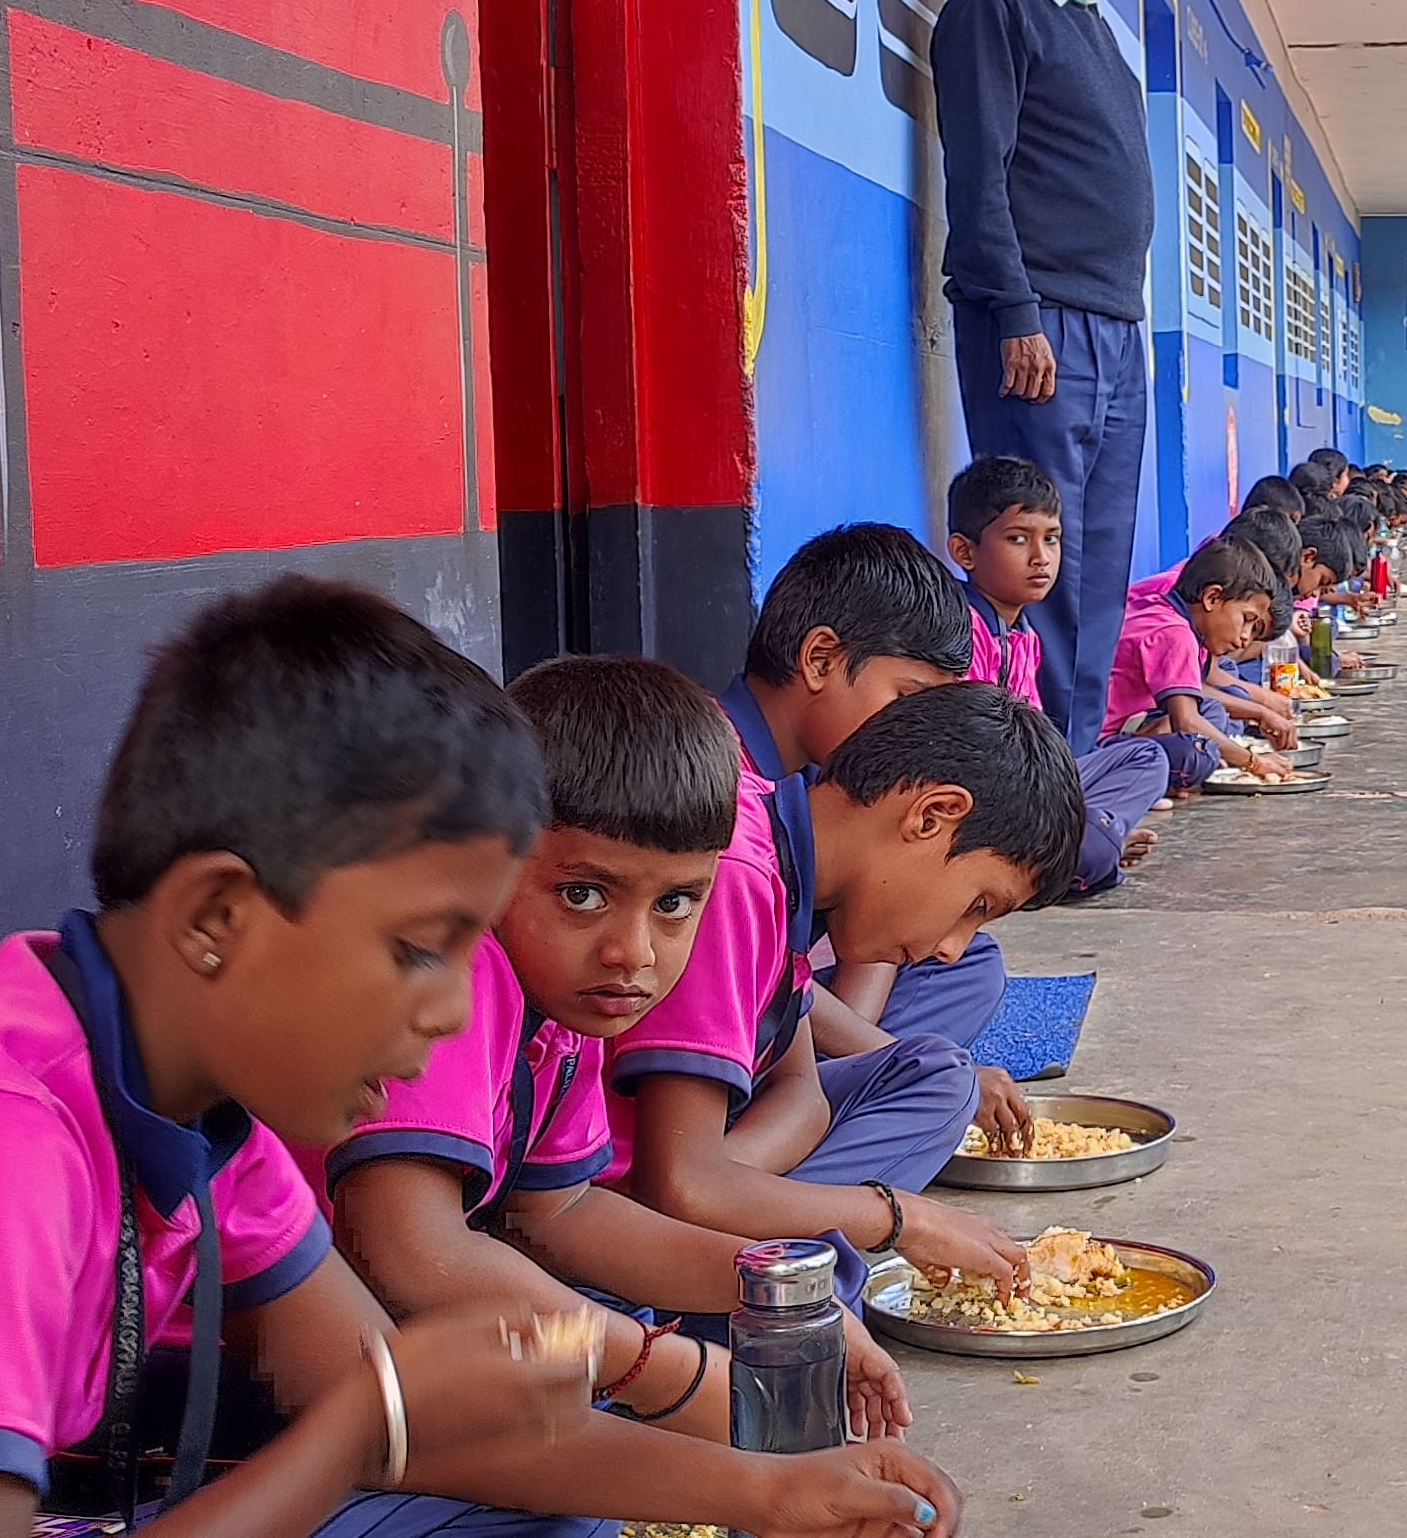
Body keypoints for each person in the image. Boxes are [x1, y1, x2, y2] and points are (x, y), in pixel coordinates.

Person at [0, 579, 960, 1538]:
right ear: (214, 918)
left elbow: (410, 1398)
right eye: (420, 946)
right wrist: (369, 1433)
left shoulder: (206, 1130)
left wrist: (762, 1493)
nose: (458, 1015)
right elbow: (381, 1416)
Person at [306, 655, 943, 1536]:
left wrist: (776, 1296)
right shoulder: (462, 978)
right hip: (256, 1408)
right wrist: (663, 1368)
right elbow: (415, 1257)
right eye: (582, 894)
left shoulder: (563, 1015)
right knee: (583, 1501)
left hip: (400, 1373)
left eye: (679, 904)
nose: (632, 953)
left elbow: (561, 1214)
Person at [612, 684, 1082, 1323]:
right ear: (931, 815)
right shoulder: (738, 875)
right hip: (610, 1227)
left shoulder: (782, 865)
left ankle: (771, 1240)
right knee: (806, 1322)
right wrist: (897, 1216)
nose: (953, 948)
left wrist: (732, 1186)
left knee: (943, 1077)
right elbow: (678, 1187)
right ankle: (755, 1289)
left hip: (704, 1159)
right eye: (978, 906)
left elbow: (801, 1091)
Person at [936, 0, 1154, 752]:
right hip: (1039, 331)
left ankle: (1075, 775)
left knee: (1097, 563)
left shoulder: (1092, 24)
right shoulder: (994, 7)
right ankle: (1032, 793)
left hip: (1113, 326)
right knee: (1034, 569)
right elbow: (979, 178)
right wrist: (1018, 313)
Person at [721, 526, 1009, 1099]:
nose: (917, 735)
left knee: (970, 963)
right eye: (906, 701)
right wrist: (896, 1059)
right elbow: (769, 977)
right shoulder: (720, 785)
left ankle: (858, 1082)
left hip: (796, 1022)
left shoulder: (816, 771)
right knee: (937, 1085)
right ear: (821, 659)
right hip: (726, 1046)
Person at [940, 455, 1175, 895]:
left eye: (1052, 539)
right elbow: (969, 761)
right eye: (1017, 539)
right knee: (1094, 851)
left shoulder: (1026, 636)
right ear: (964, 552)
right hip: (981, 802)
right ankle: (1074, 852)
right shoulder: (958, 630)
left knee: (1146, 759)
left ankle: (1080, 843)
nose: (1041, 558)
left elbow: (1043, 752)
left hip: (1028, 798)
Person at [1105, 538, 1297, 784]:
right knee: (1195, 754)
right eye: (1247, 620)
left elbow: (1198, 694)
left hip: (1138, 723)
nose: (1245, 638)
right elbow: (1186, 722)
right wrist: (1255, 762)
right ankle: (1138, 778)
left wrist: (1259, 713)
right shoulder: (1175, 632)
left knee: (1212, 712)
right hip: (1108, 742)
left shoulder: (1174, 616)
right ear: (1212, 598)